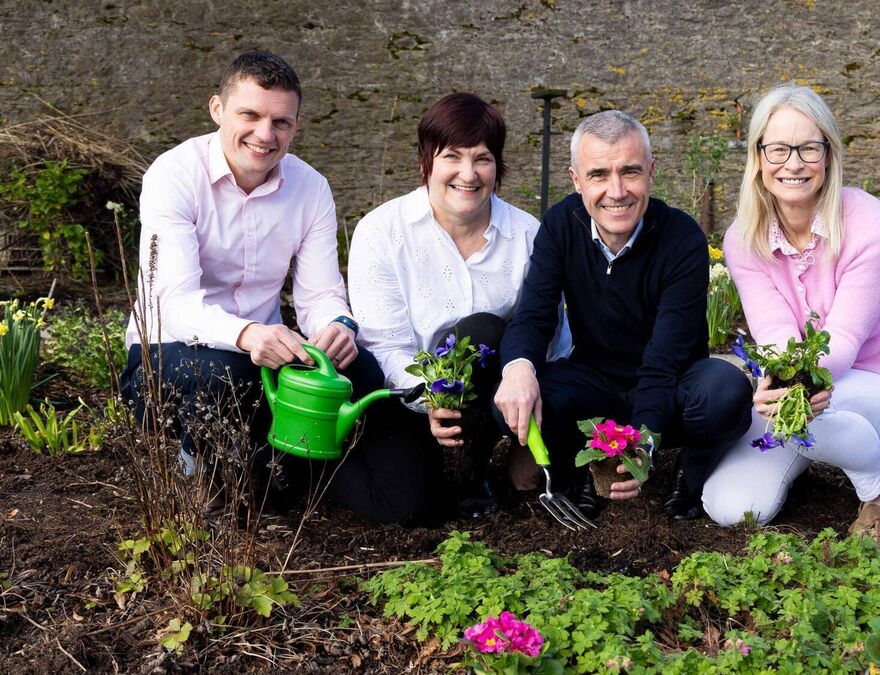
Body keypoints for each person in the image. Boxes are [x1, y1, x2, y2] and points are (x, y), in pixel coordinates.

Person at [120, 51, 381, 504]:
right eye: (250, 115)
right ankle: (196, 475)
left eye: (281, 122)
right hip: (164, 358)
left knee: (362, 371)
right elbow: (174, 303)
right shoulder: (174, 175)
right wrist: (247, 334)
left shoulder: (311, 187)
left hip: (263, 357)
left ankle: (334, 481)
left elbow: (320, 293)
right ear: (217, 109)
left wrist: (337, 325)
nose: (265, 134)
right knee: (230, 374)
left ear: (296, 126)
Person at [493, 110, 752, 520]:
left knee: (725, 390)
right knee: (513, 391)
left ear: (651, 171)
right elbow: (534, 315)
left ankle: (692, 471)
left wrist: (643, 444)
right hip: (597, 386)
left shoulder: (681, 237)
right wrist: (519, 368)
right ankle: (580, 470)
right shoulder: (561, 225)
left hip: (675, 389)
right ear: (576, 180)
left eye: (630, 171)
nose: (616, 191)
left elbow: (664, 361)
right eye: (598, 174)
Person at [703, 85, 880, 547]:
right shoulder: (744, 237)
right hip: (805, 395)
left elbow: (843, 339)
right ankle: (814, 452)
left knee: (808, 413)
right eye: (778, 149)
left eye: (808, 148)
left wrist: (795, 388)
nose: (794, 163)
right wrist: (776, 384)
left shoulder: (868, 221)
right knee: (731, 507)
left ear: (828, 154)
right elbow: (774, 332)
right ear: (758, 156)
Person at [332, 93, 566, 524]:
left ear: (498, 166)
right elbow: (384, 347)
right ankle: (319, 465)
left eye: (482, 159)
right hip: (404, 396)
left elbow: (551, 340)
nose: (468, 174)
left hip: (484, 402)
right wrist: (430, 398)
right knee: (411, 509)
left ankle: (471, 472)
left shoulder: (527, 235)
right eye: (452, 157)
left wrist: (526, 442)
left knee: (484, 332)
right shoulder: (382, 231)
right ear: (426, 162)